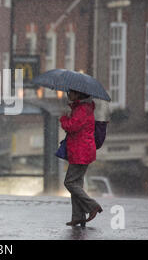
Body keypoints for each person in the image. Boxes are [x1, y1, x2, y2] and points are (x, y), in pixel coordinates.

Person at [60, 89, 103, 227]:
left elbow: (72, 126)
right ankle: (78, 217)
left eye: (70, 93)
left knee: (70, 183)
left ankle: (92, 206)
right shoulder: (82, 108)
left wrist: (64, 118)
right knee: (76, 184)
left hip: (81, 151)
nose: (69, 95)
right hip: (80, 150)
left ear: (78, 94)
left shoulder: (82, 109)